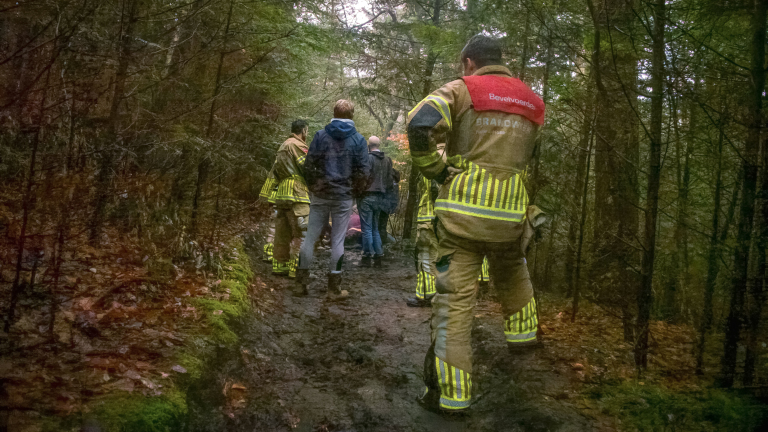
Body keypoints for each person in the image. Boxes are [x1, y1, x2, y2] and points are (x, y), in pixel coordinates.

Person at [407, 35, 545, 413]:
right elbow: (534, 153)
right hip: (512, 214)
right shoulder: (532, 100)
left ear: (469, 62)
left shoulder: (462, 89)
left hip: (463, 216)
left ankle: (451, 396)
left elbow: (420, 124)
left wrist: (435, 170)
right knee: (514, 270)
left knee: (454, 302)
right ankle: (523, 339)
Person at [296, 100, 371, 298]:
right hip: (343, 196)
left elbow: (309, 164)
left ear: (334, 112)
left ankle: (300, 284)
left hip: (321, 195)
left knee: (310, 237)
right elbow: (364, 171)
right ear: (352, 115)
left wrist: (314, 187)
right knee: (338, 241)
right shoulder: (358, 140)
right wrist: (355, 191)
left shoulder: (321, 135)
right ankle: (333, 288)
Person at [270, 120, 311, 280]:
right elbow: (307, 167)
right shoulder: (297, 145)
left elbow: (275, 172)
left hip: (282, 194)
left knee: (282, 233)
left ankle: (280, 266)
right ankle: (297, 270)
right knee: (301, 233)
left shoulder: (283, 145)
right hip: (297, 194)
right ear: (304, 130)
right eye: (306, 131)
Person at [358, 136, 395, 267]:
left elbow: (363, 177)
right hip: (381, 197)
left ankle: (367, 256)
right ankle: (378, 255)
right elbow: (390, 181)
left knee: (367, 228)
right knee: (375, 228)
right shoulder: (387, 160)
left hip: (367, 196)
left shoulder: (368, 158)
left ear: (369, 145)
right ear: (378, 145)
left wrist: (359, 191)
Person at [258, 169, 278, 263]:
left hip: (275, 199)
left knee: (273, 227)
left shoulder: (280, 158)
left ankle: (269, 254)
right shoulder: (300, 158)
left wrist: (264, 196)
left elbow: (270, 179)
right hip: (289, 200)